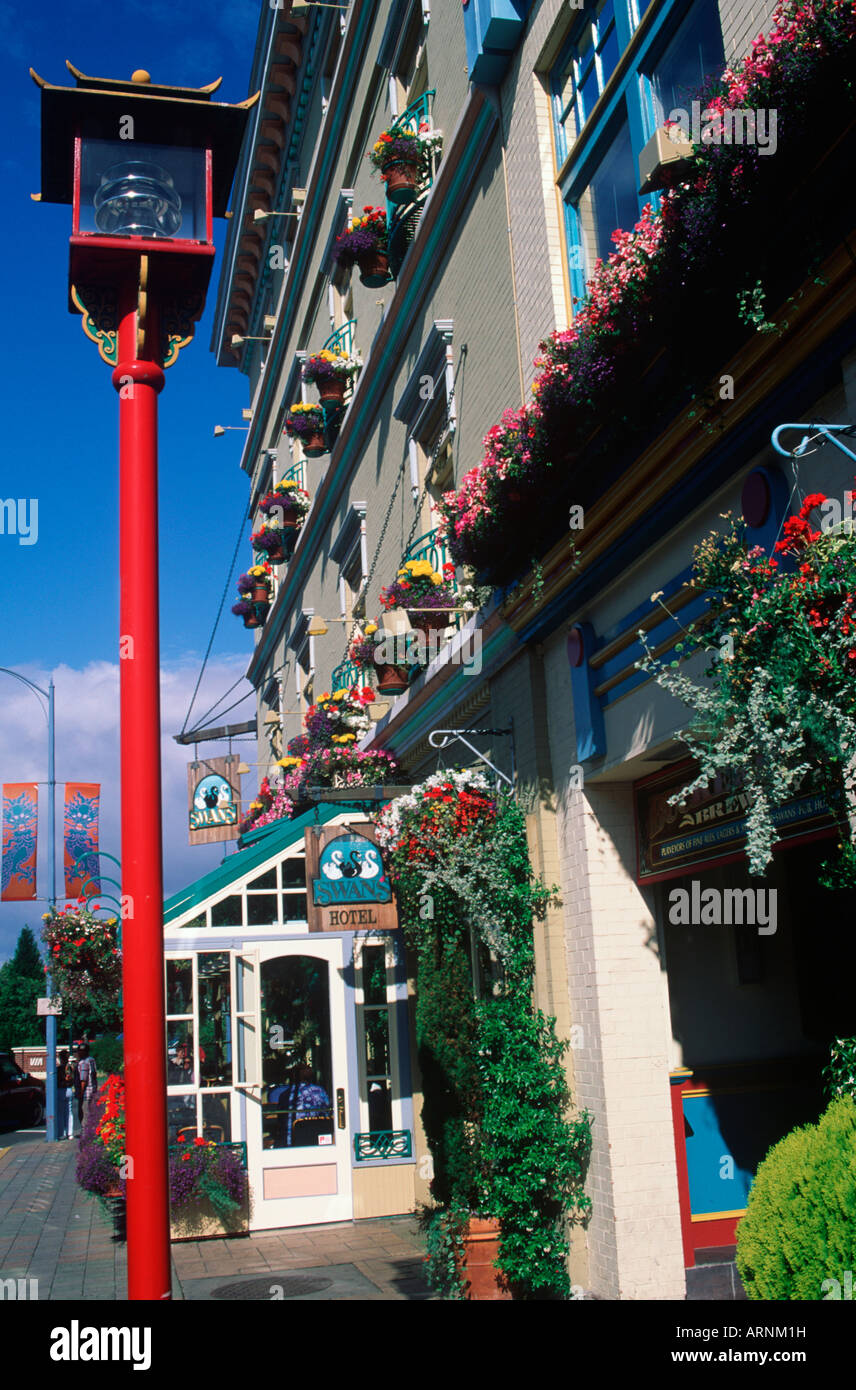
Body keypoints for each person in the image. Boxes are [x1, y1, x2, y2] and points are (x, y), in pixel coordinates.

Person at [267, 1063, 332, 1147]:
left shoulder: (285, 1095)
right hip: (314, 1140)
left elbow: (281, 1121)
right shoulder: (319, 1091)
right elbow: (326, 1114)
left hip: (290, 1143)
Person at [75, 1045, 97, 1130]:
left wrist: (80, 1093)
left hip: (86, 1093)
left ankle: (86, 1133)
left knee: (84, 1114)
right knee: (92, 1113)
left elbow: (83, 1080)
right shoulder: (92, 1060)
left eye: (80, 1051)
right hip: (93, 1090)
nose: (79, 1053)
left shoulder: (83, 1062)